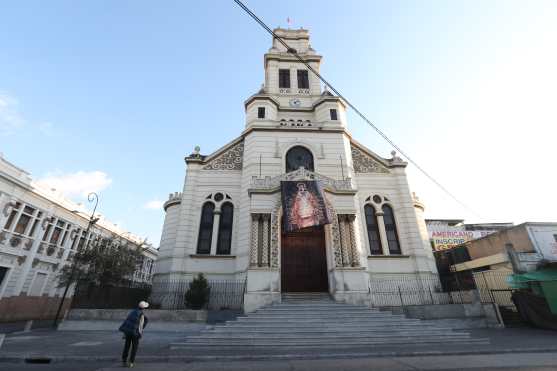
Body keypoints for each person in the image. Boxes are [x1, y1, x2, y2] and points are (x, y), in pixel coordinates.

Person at [119, 300, 149, 368]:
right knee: (134, 348)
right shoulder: (141, 315)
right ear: (144, 308)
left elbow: (127, 322)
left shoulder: (132, 312)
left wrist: (124, 333)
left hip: (128, 332)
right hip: (135, 333)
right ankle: (131, 362)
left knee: (127, 346)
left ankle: (124, 361)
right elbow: (140, 326)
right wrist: (140, 334)